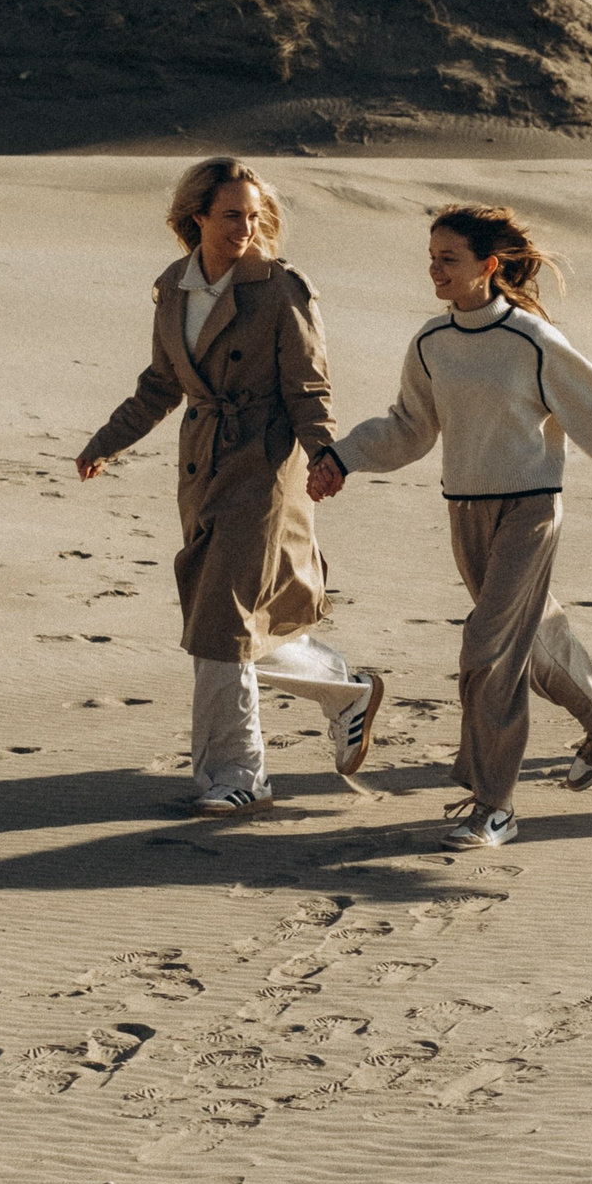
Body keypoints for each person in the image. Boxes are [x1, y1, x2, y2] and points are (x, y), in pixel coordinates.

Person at [308, 205, 592, 850]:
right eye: (431, 258)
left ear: (489, 265)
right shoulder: (431, 343)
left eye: (449, 259)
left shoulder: (532, 340)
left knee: (488, 649)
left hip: (530, 510)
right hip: (466, 513)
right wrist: (344, 457)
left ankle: (494, 805)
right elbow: (409, 428)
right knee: (527, 638)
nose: (435, 270)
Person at [75, 158, 384, 816]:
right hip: (203, 464)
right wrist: (107, 441)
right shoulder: (174, 286)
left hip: (267, 467)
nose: (245, 226)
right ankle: (343, 689)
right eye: (230, 215)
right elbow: (161, 384)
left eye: (252, 214)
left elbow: (309, 389)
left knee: (219, 622)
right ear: (196, 218)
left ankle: (238, 775)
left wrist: (326, 457)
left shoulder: (280, 287)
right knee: (231, 621)